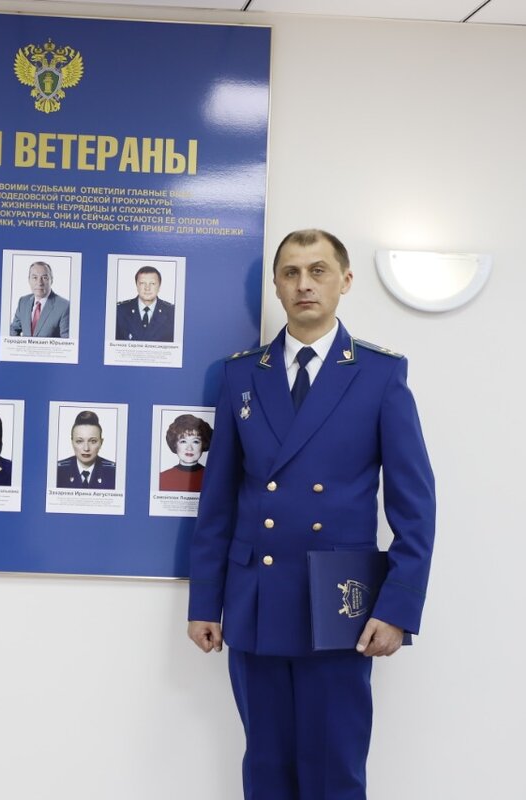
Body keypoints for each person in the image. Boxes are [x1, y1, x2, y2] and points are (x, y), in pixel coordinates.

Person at [186, 229, 436, 800]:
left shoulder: (379, 374)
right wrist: (205, 602)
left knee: (334, 770)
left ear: (344, 281)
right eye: (291, 273)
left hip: (340, 601)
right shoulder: (240, 374)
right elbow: (217, 502)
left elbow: (415, 506)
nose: (304, 284)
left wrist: (397, 607)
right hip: (257, 596)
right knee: (266, 767)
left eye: (318, 271)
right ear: (276, 286)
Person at [55, 410, 116, 489]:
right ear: (72, 442)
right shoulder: (57, 471)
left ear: (101, 442)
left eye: (93, 441)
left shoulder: (114, 472)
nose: (86, 448)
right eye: (79, 441)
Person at [9, 260, 70, 338]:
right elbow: (13, 330)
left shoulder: (64, 306)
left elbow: (66, 342)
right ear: (29, 280)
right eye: (35, 278)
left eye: (44, 278)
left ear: (51, 280)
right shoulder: (23, 302)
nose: (39, 283)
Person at [115, 265, 175, 342]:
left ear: (159, 286)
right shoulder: (119, 311)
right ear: (137, 285)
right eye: (142, 283)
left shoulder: (172, 313)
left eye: (152, 283)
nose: (147, 288)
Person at [158, 413, 211, 492]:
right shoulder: (162, 478)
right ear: (175, 444)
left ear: (203, 444)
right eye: (183, 441)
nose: (189, 448)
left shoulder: (212, 478)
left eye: (195, 442)